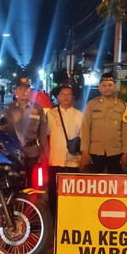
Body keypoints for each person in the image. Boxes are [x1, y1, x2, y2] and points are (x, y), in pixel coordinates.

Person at [80, 72, 127, 174]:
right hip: (95, 151)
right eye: (104, 85)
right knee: (95, 183)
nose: (107, 88)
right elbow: (85, 129)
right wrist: (84, 151)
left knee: (116, 184)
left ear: (115, 87)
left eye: (110, 85)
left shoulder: (123, 106)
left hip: (116, 152)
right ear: (99, 87)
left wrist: (126, 152)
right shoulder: (91, 105)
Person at [0, 76, 48, 186]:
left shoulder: (38, 109)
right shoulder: (9, 109)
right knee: (13, 185)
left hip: (32, 152)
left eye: (26, 89)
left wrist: (43, 154)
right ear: (15, 91)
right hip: (13, 153)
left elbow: (43, 133)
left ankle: (28, 203)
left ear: (30, 91)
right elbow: (2, 130)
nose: (23, 92)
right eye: (20, 89)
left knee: (32, 185)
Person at [46, 85, 82, 213]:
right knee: (53, 191)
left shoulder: (79, 115)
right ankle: (53, 217)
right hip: (54, 159)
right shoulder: (51, 114)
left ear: (73, 97)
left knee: (70, 192)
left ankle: (69, 215)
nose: (66, 97)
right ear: (58, 97)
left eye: (69, 95)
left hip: (72, 161)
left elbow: (82, 137)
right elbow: (46, 135)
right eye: (63, 94)